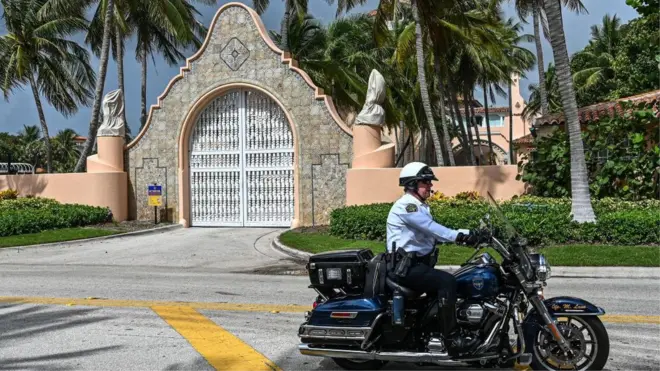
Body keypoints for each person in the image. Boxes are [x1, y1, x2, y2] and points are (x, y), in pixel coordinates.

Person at [386, 161, 485, 355]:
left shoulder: (419, 206)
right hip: (405, 269)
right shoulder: (407, 207)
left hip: (416, 266)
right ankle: (452, 340)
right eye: (426, 182)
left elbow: (434, 232)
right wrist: (461, 236)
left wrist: (472, 233)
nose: (430, 186)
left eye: (429, 182)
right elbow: (434, 230)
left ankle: (434, 331)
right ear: (412, 184)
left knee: (454, 282)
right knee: (447, 282)